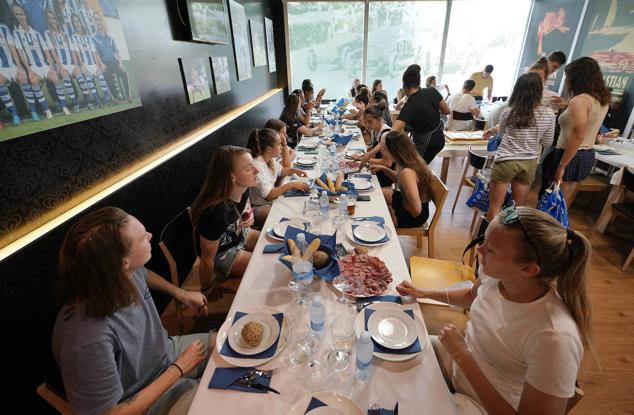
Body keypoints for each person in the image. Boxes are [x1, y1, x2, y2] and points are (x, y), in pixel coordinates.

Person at [397, 206, 592, 415]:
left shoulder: (554, 337)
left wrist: (463, 357)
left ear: (527, 269)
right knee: (393, 359)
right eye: (484, 241)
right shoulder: (497, 275)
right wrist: (424, 293)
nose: (479, 251)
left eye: (490, 250)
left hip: (481, 404)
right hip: (459, 364)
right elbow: (472, 297)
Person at [52, 207, 212, 415]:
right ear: (123, 263)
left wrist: (181, 294)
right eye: (142, 238)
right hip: (141, 399)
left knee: (232, 348)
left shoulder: (122, 273)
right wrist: (178, 369)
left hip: (166, 354)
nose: (150, 236)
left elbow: (144, 274)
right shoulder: (85, 339)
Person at [191, 146, 261, 301]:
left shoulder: (244, 189)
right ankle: (228, 284)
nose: (257, 171)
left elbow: (246, 209)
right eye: (249, 169)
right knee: (263, 271)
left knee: (273, 244)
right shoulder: (214, 213)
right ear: (232, 177)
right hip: (224, 253)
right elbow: (207, 258)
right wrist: (207, 288)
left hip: (240, 235)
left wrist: (249, 216)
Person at [486, 72, 555, 220]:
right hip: (529, 162)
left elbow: (501, 134)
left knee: (495, 206)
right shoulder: (549, 114)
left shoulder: (509, 112)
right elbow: (547, 143)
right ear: (539, 91)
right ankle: (510, 240)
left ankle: (490, 240)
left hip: (506, 160)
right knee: (518, 208)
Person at [554, 57, 610, 202]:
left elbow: (578, 136)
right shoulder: (601, 100)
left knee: (557, 200)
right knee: (564, 200)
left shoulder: (579, 101)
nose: (567, 81)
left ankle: (553, 224)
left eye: (568, 77)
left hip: (570, 154)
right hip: (586, 153)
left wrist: (562, 165)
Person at [247, 128, 310, 227]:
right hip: (258, 207)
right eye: (279, 144)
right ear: (269, 149)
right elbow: (269, 196)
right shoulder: (257, 165)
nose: (281, 147)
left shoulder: (269, 160)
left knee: (298, 207)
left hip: (271, 200)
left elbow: (281, 170)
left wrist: (295, 170)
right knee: (287, 218)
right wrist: (291, 185)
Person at [371, 131, 433, 228]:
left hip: (413, 216)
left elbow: (416, 210)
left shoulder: (407, 172)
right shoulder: (412, 161)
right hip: (410, 204)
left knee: (379, 211)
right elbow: (400, 179)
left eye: (385, 149)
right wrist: (385, 169)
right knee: (376, 193)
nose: (383, 151)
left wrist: (393, 208)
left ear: (394, 151)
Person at [392, 64, 450, 164]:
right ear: (418, 83)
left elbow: (394, 130)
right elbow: (447, 111)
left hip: (427, 142)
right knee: (419, 166)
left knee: (414, 168)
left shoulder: (410, 105)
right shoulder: (432, 91)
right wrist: (431, 110)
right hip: (440, 138)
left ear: (405, 86)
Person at [11, 2, 54, 119]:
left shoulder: (35, 32)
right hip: (31, 66)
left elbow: (46, 51)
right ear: (14, 17)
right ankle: (45, 110)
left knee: (55, 78)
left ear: (26, 15)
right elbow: (20, 54)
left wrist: (50, 67)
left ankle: (63, 105)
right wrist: (29, 69)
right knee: (33, 80)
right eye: (17, 15)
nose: (20, 17)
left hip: (44, 65)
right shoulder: (16, 33)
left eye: (22, 14)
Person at [71, 13, 112, 108]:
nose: (77, 24)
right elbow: (77, 54)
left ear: (81, 23)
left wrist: (98, 65)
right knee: (89, 80)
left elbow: (94, 52)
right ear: (73, 24)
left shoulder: (88, 36)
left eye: (78, 21)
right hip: (85, 65)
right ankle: (97, 100)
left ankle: (107, 98)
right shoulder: (74, 37)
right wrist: (83, 67)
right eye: (75, 22)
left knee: (101, 77)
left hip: (94, 63)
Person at [44, 9, 80, 113]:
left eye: (54, 18)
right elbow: (53, 53)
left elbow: (72, 50)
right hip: (59, 64)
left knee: (79, 75)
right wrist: (60, 66)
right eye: (49, 19)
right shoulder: (47, 34)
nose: (52, 21)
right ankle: (70, 104)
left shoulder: (64, 34)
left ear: (57, 19)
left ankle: (78, 100)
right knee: (65, 75)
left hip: (70, 63)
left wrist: (75, 64)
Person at [92, 11, 132, 103]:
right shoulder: (94, 37)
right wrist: (101, 64)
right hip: (105, 63)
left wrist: (121, 63)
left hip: (114, 61)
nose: (98, 22)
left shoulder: (110, 36)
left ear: (102, 21)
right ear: (94, 22)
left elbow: (117, 52)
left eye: (99, 19)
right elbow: (97, 53)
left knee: (124, 72)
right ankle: (116, 98)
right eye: (96, 20)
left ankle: (128, 95)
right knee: (106, 74)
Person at [355, 102, 393, 188]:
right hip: (376, 169)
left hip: (385, 176)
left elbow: (387, 163)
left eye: (370, 122)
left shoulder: (385, 134)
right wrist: (362, 156)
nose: (367, 125)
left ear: (379, 119)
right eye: (366, 122)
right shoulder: (375, 130)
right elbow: (373, 148)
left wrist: (366, 159)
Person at [0, 23, 23, 126]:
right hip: (1, 69)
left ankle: (35, 111)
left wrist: (19, 67)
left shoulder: (4, 28)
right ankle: (14, 115)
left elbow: (13, 49)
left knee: (24, 78)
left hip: (12, 65)